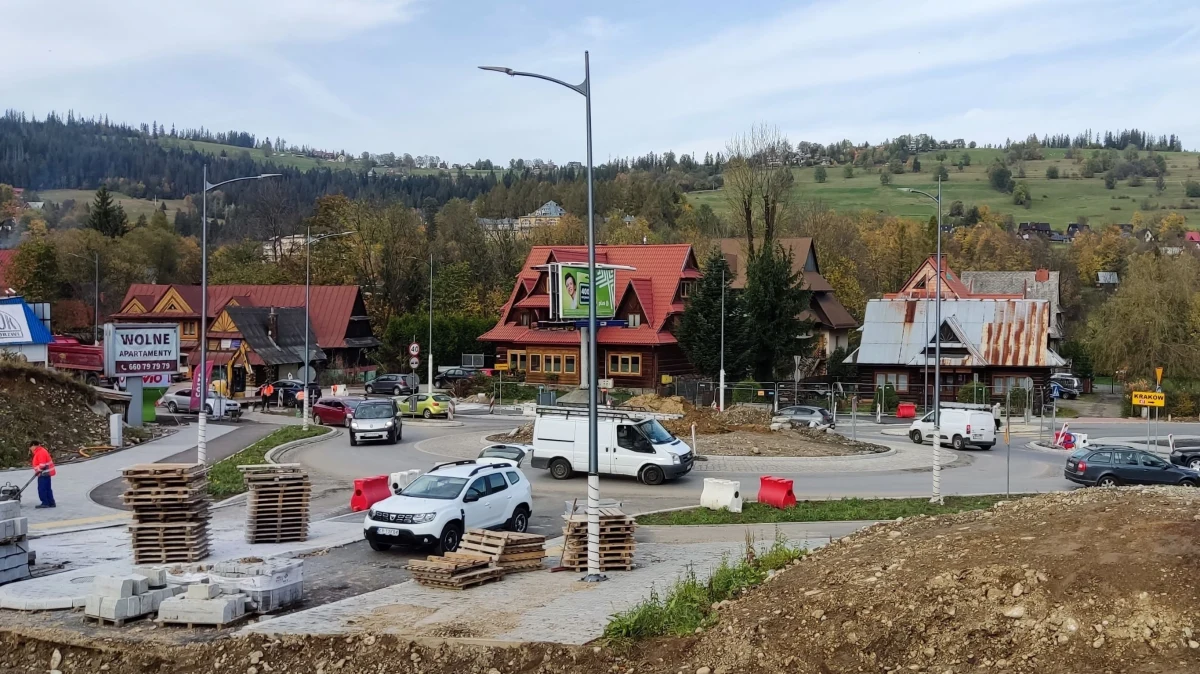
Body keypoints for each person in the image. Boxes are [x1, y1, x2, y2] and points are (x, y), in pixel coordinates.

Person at [29, 441, 56, 509]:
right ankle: (51, 502)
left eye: (30, 447)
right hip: (46, 473)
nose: (30, 449)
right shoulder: (41, 451)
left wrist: (38, 470)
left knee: (42, 489)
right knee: (47, 488)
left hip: (43, 473)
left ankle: (45, 503)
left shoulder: (40, 452)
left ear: (34, 445)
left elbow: (42, 464)